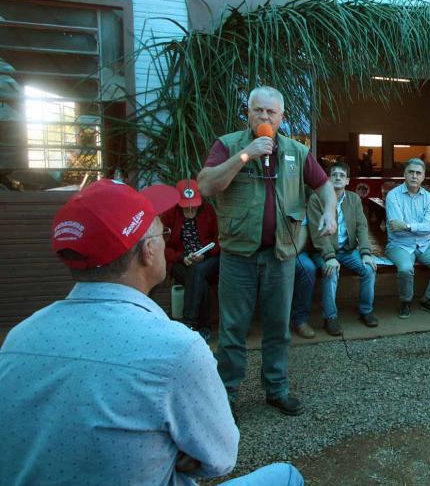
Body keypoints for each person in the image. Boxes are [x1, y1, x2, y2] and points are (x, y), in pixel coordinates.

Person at [0, 179, 303, 486]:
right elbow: (220, 458)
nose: (164, 237)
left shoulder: (18, 339)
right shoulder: (177, 349)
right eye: (162, 232)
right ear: (148, 252)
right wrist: (176, 451)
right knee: (288, 476)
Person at [197, 85, 337, 418]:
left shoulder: (295, 152)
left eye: (271, 112)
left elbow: (324, 186)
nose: (264, 116)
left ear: (281, 117)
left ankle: (276, 389)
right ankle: (227, 395)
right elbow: (205, 185)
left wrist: (329, 210)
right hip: (238, 256)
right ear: (248, 112)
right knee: (232, 330)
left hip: (281, 257)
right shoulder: (228, 145)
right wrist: (246, 155)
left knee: (278, 328)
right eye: (258, 110)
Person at [308, 161, 378, 332]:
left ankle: (365, 311)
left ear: (347, 181)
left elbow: (362, 226)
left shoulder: (354, 199)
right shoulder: (316, 199)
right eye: (334, 175)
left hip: (346, 250)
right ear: (327, 179)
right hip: (322, 252)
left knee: (369, 268)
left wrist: (366, 252)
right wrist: (329, 257)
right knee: (330, 272)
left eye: (342, 175)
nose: (338, 178)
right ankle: (330, 317)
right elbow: (317, 232)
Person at [385, 157, 430, 318]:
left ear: (423, 177)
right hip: (399, 245)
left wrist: (407, 226)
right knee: (406, 269)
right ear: (404, 174)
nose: (414, 176)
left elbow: (429, 227)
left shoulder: (429, 198)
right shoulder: (393, 196)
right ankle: (406, 302)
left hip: (424, 244)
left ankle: (428, 300)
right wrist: (417, 227)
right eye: (411, 172)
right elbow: (396, 229)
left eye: (418, 173)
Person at [161, 178, 220, 341]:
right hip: (181, 262)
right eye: (186, 208)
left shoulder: (208, 211)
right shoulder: (169, 215)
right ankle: (204, 327)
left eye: (194, 206)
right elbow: (163, 246)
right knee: (200, 280)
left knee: (197, 271)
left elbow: (219, 240)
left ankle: (189, 323)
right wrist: (180, 257)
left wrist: (205, 255)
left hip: (208, 259)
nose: (190, 210)